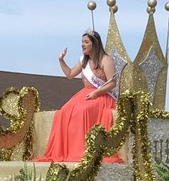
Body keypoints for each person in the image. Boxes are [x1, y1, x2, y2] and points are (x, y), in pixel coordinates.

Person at [35, 30, 123, 163]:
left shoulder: (106, 60)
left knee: (82, 111)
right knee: (64, 111)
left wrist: (97, 92)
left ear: (95, 43)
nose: (83, 45)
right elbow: (70, 74)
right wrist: (61, 60)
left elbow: (112, 83)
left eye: (86, 42)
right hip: (85, 94)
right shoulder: (83, 61)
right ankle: (68, 151)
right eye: (82, 42)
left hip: (102, 96)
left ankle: (83, 151)